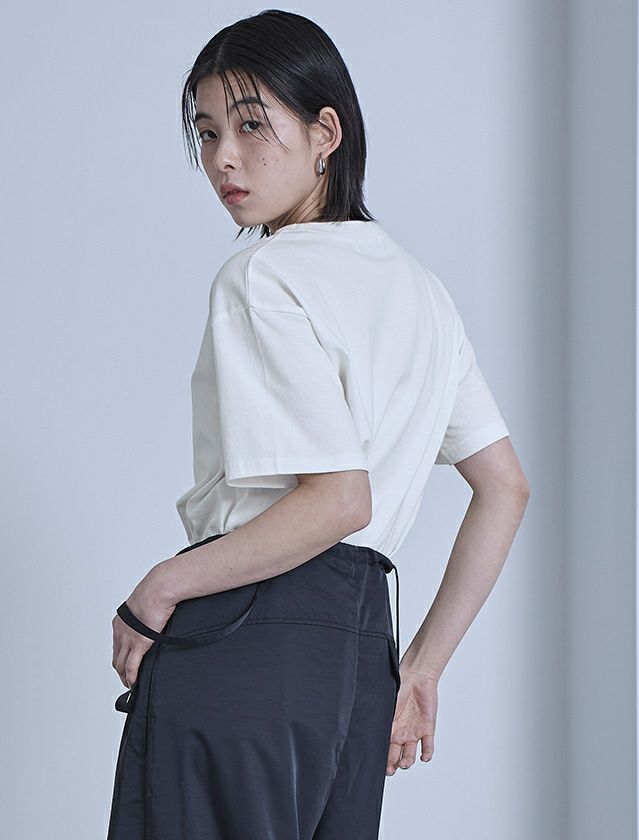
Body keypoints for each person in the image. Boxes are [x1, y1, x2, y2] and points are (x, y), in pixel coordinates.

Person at [107, 9, 530, 840]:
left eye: (251, 125)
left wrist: (161, 586)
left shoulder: (262, 277)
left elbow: (338, 498)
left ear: (325, 132)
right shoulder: (423, 293)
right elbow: (505, 487)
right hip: (362, 660)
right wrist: (421, 670)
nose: (223, 158)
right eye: (207, 132)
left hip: (247, 637)